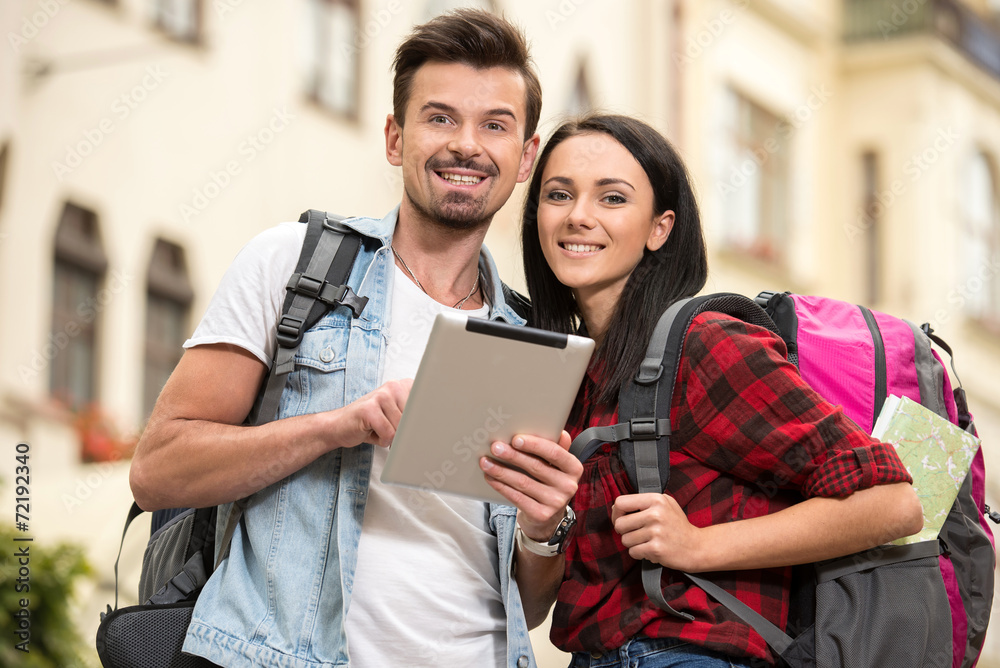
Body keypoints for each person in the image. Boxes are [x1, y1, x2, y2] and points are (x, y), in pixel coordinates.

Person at [130, 10, 582, 668]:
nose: (466, 145)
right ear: (396, 138)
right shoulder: (294, 264)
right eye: (440, 118)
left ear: (525, 158)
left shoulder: (533, 341)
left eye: (495, 125)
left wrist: (543, 532)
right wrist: (337, 427)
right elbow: (157, 472)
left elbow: (528, 603)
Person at [518, 114, 924, 667]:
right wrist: (541, 530)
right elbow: (534, 606)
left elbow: (893, 502)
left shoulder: (705, 344)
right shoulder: (575, 376)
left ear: (660, 229)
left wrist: (699, 545)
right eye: (558, 194)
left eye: (612, 199)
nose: (578, 216)